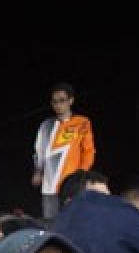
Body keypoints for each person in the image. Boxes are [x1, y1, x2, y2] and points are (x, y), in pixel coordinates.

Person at [32, 82, 96, 219]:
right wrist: (37, 171)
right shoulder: (45, 125)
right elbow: (39, 152)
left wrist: (81, 175)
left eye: (62, 101)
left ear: (71, 101)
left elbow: (89, 151)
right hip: (49, 187)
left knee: (73, 222)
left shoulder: (82, 122)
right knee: (50, 224)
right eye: (54, 101)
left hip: (71, 185)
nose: (58, 105)